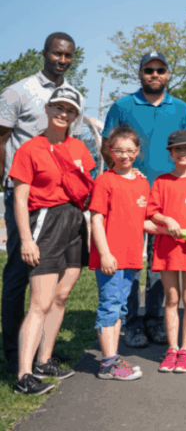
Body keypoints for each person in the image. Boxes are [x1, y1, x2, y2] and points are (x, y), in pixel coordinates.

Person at [0, 32, 83, 374]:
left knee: (49, 276)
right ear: (45, 52)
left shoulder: (72, 95)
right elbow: (2, 138)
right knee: (21, 270)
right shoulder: (19, 91)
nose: (61, 60)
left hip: (56, 200)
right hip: (22, 192)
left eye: (68, 56)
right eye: (56, 53)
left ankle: (38, 355)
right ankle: (11, 352)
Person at [101, 51, 186, 349]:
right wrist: (124, 172)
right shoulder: (123, 106)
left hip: (167, 196)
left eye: (160, 70)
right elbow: (107, 147)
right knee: (129, 260)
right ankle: (130, 322)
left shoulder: (180, 108)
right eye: (149, 70)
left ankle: (154, 318)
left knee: (159, 262)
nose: (155, 75)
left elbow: (185, 146)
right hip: (129, 195)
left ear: (168, 74)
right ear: (140, 73)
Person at [8, 87, 93, 395]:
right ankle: (24, 375)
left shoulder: (79, 148)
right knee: (40, 302)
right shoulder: (30, 149)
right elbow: (20, 198)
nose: (63, 113)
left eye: (69, 110)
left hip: (74, 222)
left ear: (75, 115)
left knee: (61, 297)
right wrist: (27, 240)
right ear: (47, 108)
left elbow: (90, 187)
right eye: (58, 107)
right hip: (45, 223)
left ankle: (44, 360)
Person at [147, 129, 186, 375]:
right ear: (171, 154)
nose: (182, 153)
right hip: (167, 248)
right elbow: (152, 212)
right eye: (177, 149)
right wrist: (167, 219)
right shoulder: (162, 181)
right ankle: (172, 349)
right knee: (171, 299)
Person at [89, 126, 148, 381]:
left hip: (132, 257)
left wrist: (174, 228)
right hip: (110, 258)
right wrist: (104, 253)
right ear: (110, 151)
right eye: (119, 150)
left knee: (120, 308)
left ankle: (112, 358)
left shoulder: (143, 182)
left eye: (130, 151)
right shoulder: (104, 181)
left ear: (137, 152)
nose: (125, 156)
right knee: (109, 306)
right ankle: (108, 364)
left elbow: (143, 220)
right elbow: (96, 220)